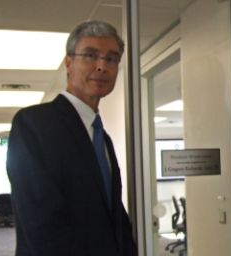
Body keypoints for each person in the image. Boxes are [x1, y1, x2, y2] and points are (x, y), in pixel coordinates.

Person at [7, 20, 137, 256]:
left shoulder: (101, 137)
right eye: (90, 55)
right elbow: (40, 223)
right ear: (69, 63)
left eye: (111, 58)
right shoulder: (34, 124)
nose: (101, 66)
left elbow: (112, 213)